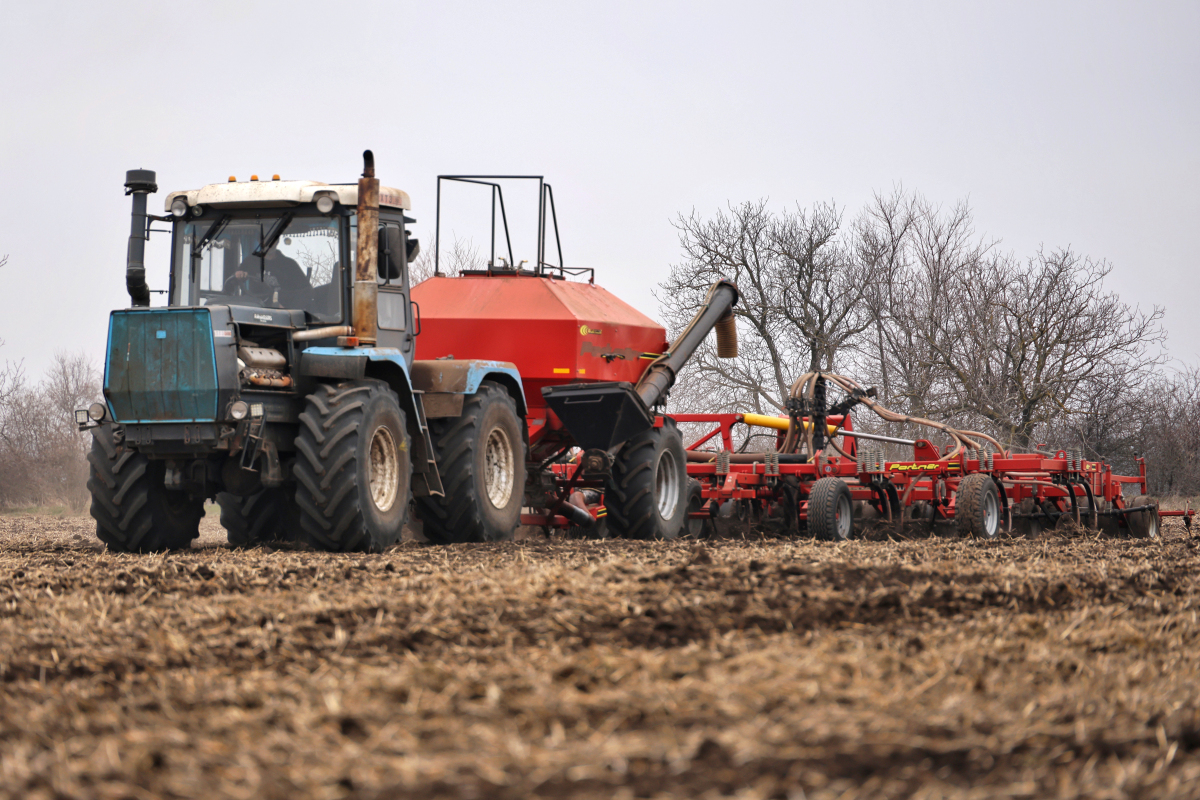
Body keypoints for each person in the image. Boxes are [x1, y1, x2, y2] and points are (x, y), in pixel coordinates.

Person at [228, 245, 310, 306]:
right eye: (265, 239)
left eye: (272, 239)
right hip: (253, 307)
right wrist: (239, 275)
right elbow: (232, 281)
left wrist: (289, 309)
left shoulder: (289, 265)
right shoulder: (251, 261)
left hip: (282, 313)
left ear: (277, 240)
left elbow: (306, 291)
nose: (269, 243)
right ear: (259, 240)